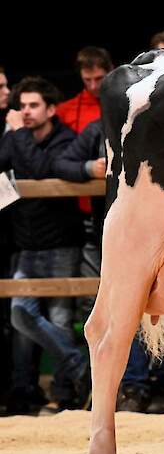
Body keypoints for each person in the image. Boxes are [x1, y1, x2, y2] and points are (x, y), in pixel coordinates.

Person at [0, 77, 89, 412]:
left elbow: (39, 169)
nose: (25, 111)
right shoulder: (16, 138)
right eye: (22, 105)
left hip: (61, 245)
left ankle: (65, 395)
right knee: (20, 315)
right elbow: (2, 167)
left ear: (51, 109)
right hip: (25, 244)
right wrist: (14, 138)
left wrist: (17, 134)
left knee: (61, 319)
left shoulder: (66, 140)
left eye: (33, 105)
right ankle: (76, 367)